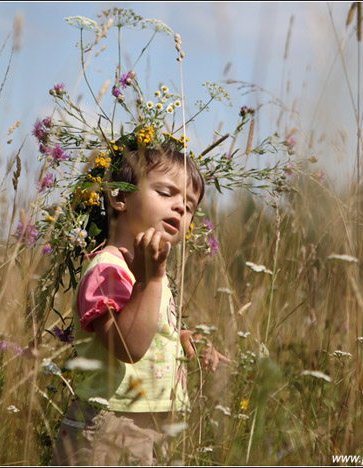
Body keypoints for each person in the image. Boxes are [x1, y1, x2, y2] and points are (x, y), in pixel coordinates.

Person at [51, 147, 230, 465]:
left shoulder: (147, 271)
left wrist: (181, 339)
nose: (179, 206)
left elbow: (147, 329)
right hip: (110, 425)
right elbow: (127, 346)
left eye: (189, 206)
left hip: (147, 426)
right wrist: (149, 282)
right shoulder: (107, 269)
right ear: (119, 197)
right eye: (165, 192)